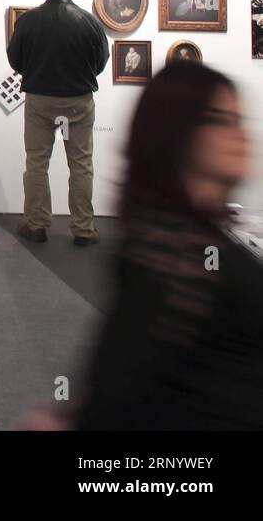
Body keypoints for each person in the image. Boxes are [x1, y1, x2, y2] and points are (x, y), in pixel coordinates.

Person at [64, 63, 262, 429]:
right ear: (177, 131)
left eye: (238, 119)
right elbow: (120, 385)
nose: (239, 135)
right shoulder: (173, 254)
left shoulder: (189, 239)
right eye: (219, 119)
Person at [7, 0, 109, 244]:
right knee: (81, 164)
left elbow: (15, 60)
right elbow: (100, 63)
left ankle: (36, 224)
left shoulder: (28, 21)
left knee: (37, 162)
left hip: (40, 99)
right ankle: (84, 229)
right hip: (79, 100)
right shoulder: (89, 21)